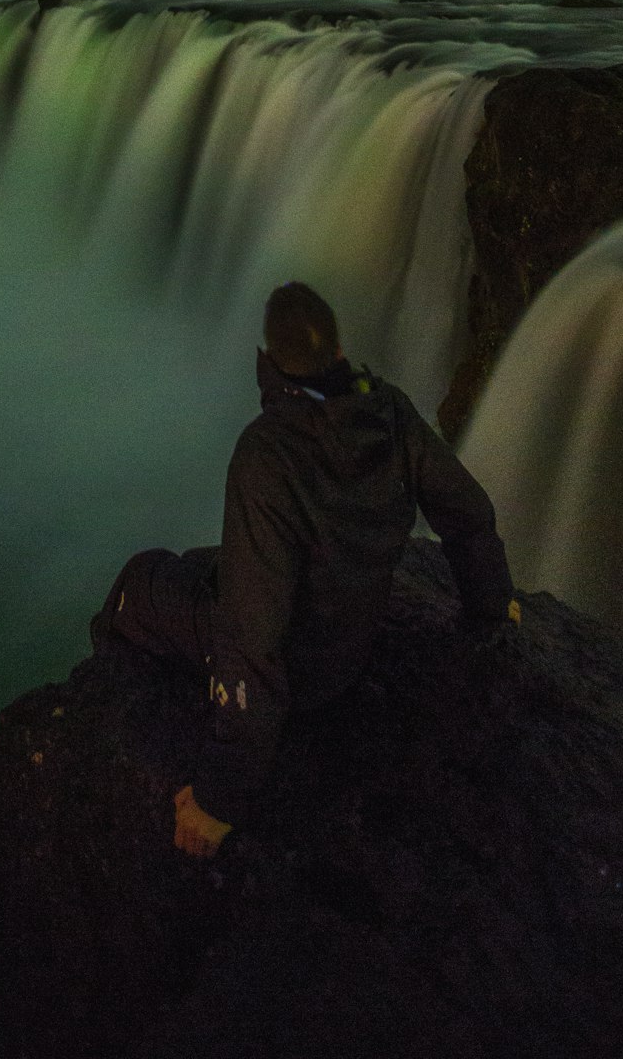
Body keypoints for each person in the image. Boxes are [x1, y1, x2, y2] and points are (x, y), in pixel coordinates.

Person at [90, 280, 518, 859]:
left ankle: (101, 709)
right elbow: (468, 516)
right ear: (338, 353)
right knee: (206, 564)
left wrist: (218, 802)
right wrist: (494, 604)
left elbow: (251, 642)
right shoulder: (387, 408)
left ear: (266, 362)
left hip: (303, 677)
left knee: (139, 582)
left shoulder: (266, 454)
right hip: (352, 649)